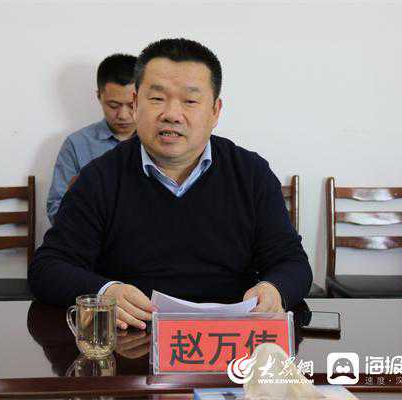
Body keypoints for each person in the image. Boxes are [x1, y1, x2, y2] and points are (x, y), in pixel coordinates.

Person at [29, 39, 312, 330]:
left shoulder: (250, 174)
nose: (172, 115)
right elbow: (47, 268)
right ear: (136, 104)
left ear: (215, 111)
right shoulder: (100, 177)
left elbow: (292, 262)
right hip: (133, 339)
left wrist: (275, 289)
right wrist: (105, 291)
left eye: (190, 101)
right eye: (157, 98)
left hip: (229, 339)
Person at [47, 53, 137, 224]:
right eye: (113, 105)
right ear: (99, 96)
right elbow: (56, 208)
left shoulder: (159, 142)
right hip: (91, 238)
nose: (123, 115)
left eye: (132, 105)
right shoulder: (77, 145)